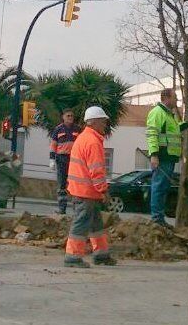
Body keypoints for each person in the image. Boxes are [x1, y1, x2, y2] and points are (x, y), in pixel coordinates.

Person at [64, 106, 117, 268]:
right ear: (93, 122)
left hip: (83, 190)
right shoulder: (93, 142)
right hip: (86, 191)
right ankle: (72, 256)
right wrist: (104, 190)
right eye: (102, 121)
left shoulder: (83, 138)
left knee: (95, 225)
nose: (105, 124)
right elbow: (97, 170)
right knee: (81, 223)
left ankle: (101, 255)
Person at [145, 88, 188, 228]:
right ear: (166, 98)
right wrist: (154, 155)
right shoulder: (157, 113)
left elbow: (174, 131)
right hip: (163, 156)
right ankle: (157, 219)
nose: (177, 100)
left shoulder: (169, 115)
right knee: (159, 186)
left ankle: (159, 218)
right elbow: (152, 134)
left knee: (163, 188)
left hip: (169, 157)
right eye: (175, 97)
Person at [49, 109, 81, 215]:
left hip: (74, 160)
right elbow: (53, 145)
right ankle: (62, 209)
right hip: (62, 159)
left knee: (74, 184)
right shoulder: (58, 129)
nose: (70, 117)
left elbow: (81, 145)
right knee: (62, 185)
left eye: (72, 116)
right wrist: (52, 159)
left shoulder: (77, 129)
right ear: (63, 117)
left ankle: (76, 209)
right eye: (68, 116)